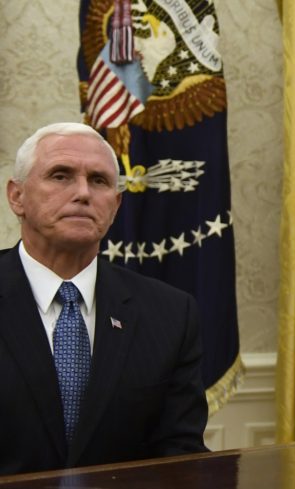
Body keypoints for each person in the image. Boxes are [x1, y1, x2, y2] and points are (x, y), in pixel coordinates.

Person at [1, 122, 208, 474]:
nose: (83, 193)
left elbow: (180, 457)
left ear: (115, 204)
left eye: (98, 181)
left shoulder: (171, 313)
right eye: (61, 176)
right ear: (17, 196)